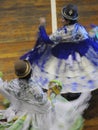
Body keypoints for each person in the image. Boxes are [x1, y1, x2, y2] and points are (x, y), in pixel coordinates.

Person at [0, 59, 52, 130]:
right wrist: (49, 93)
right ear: (30, 72)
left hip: (20, 109)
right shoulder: (35, 88)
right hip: (33, 113)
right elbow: (45, 104)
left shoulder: (13, 83)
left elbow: (3, 87)